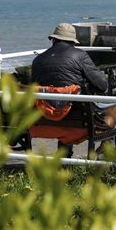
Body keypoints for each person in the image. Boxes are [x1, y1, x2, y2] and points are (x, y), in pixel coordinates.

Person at [31, 23, 108, 157]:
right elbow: (102, 86)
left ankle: (64, 157)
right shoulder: (80, 55)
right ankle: (108, 148)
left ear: (53, 40)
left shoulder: (38, 60)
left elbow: (34, 90)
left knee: (61, 104)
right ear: (72, 42)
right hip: (78, 122)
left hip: (43, 122)